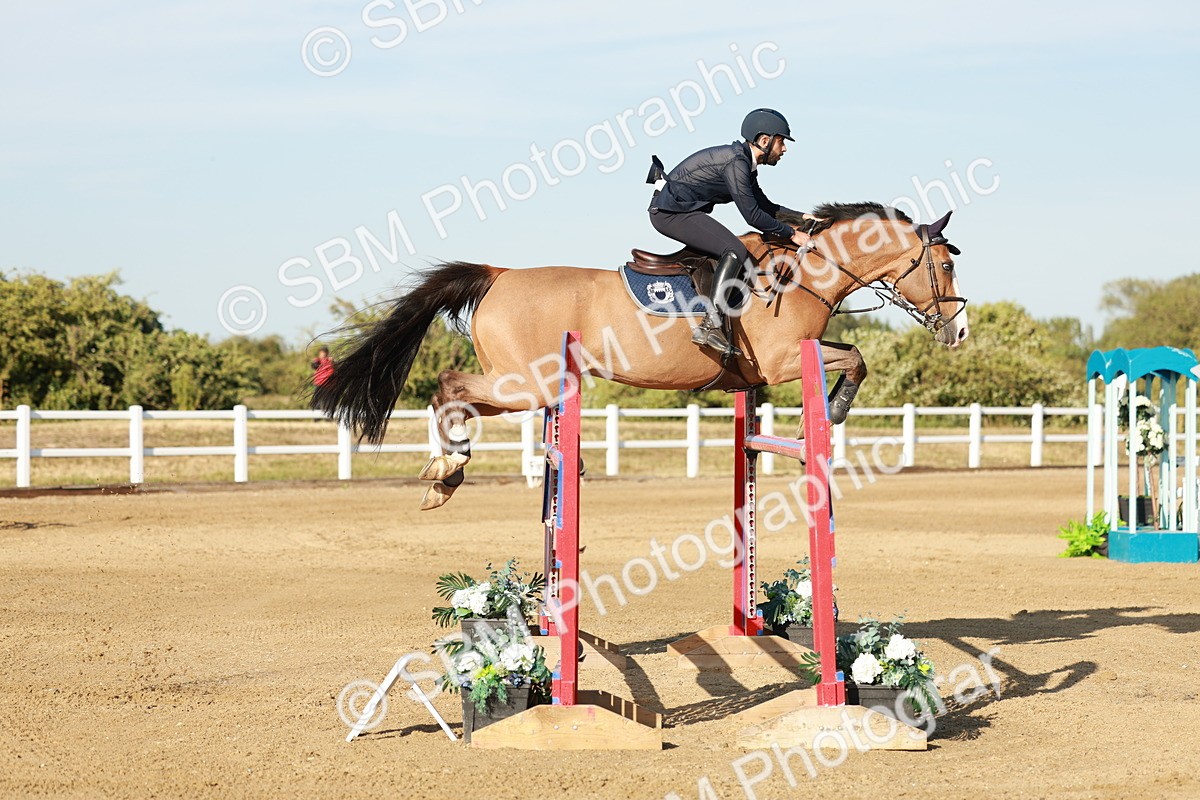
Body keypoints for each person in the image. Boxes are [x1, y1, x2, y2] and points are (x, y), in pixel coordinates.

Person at [647, 108, 812, 358]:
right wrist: (791, 234)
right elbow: (753, 216)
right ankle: (711, 325)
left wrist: (802, 218)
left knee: (732, 249)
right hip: (670, 213)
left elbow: (765, 206)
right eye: (781, 142)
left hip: (678, 210)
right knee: (734, 249)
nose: (784, 149)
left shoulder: (744, 161)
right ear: (764, 141)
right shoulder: (737, 164)